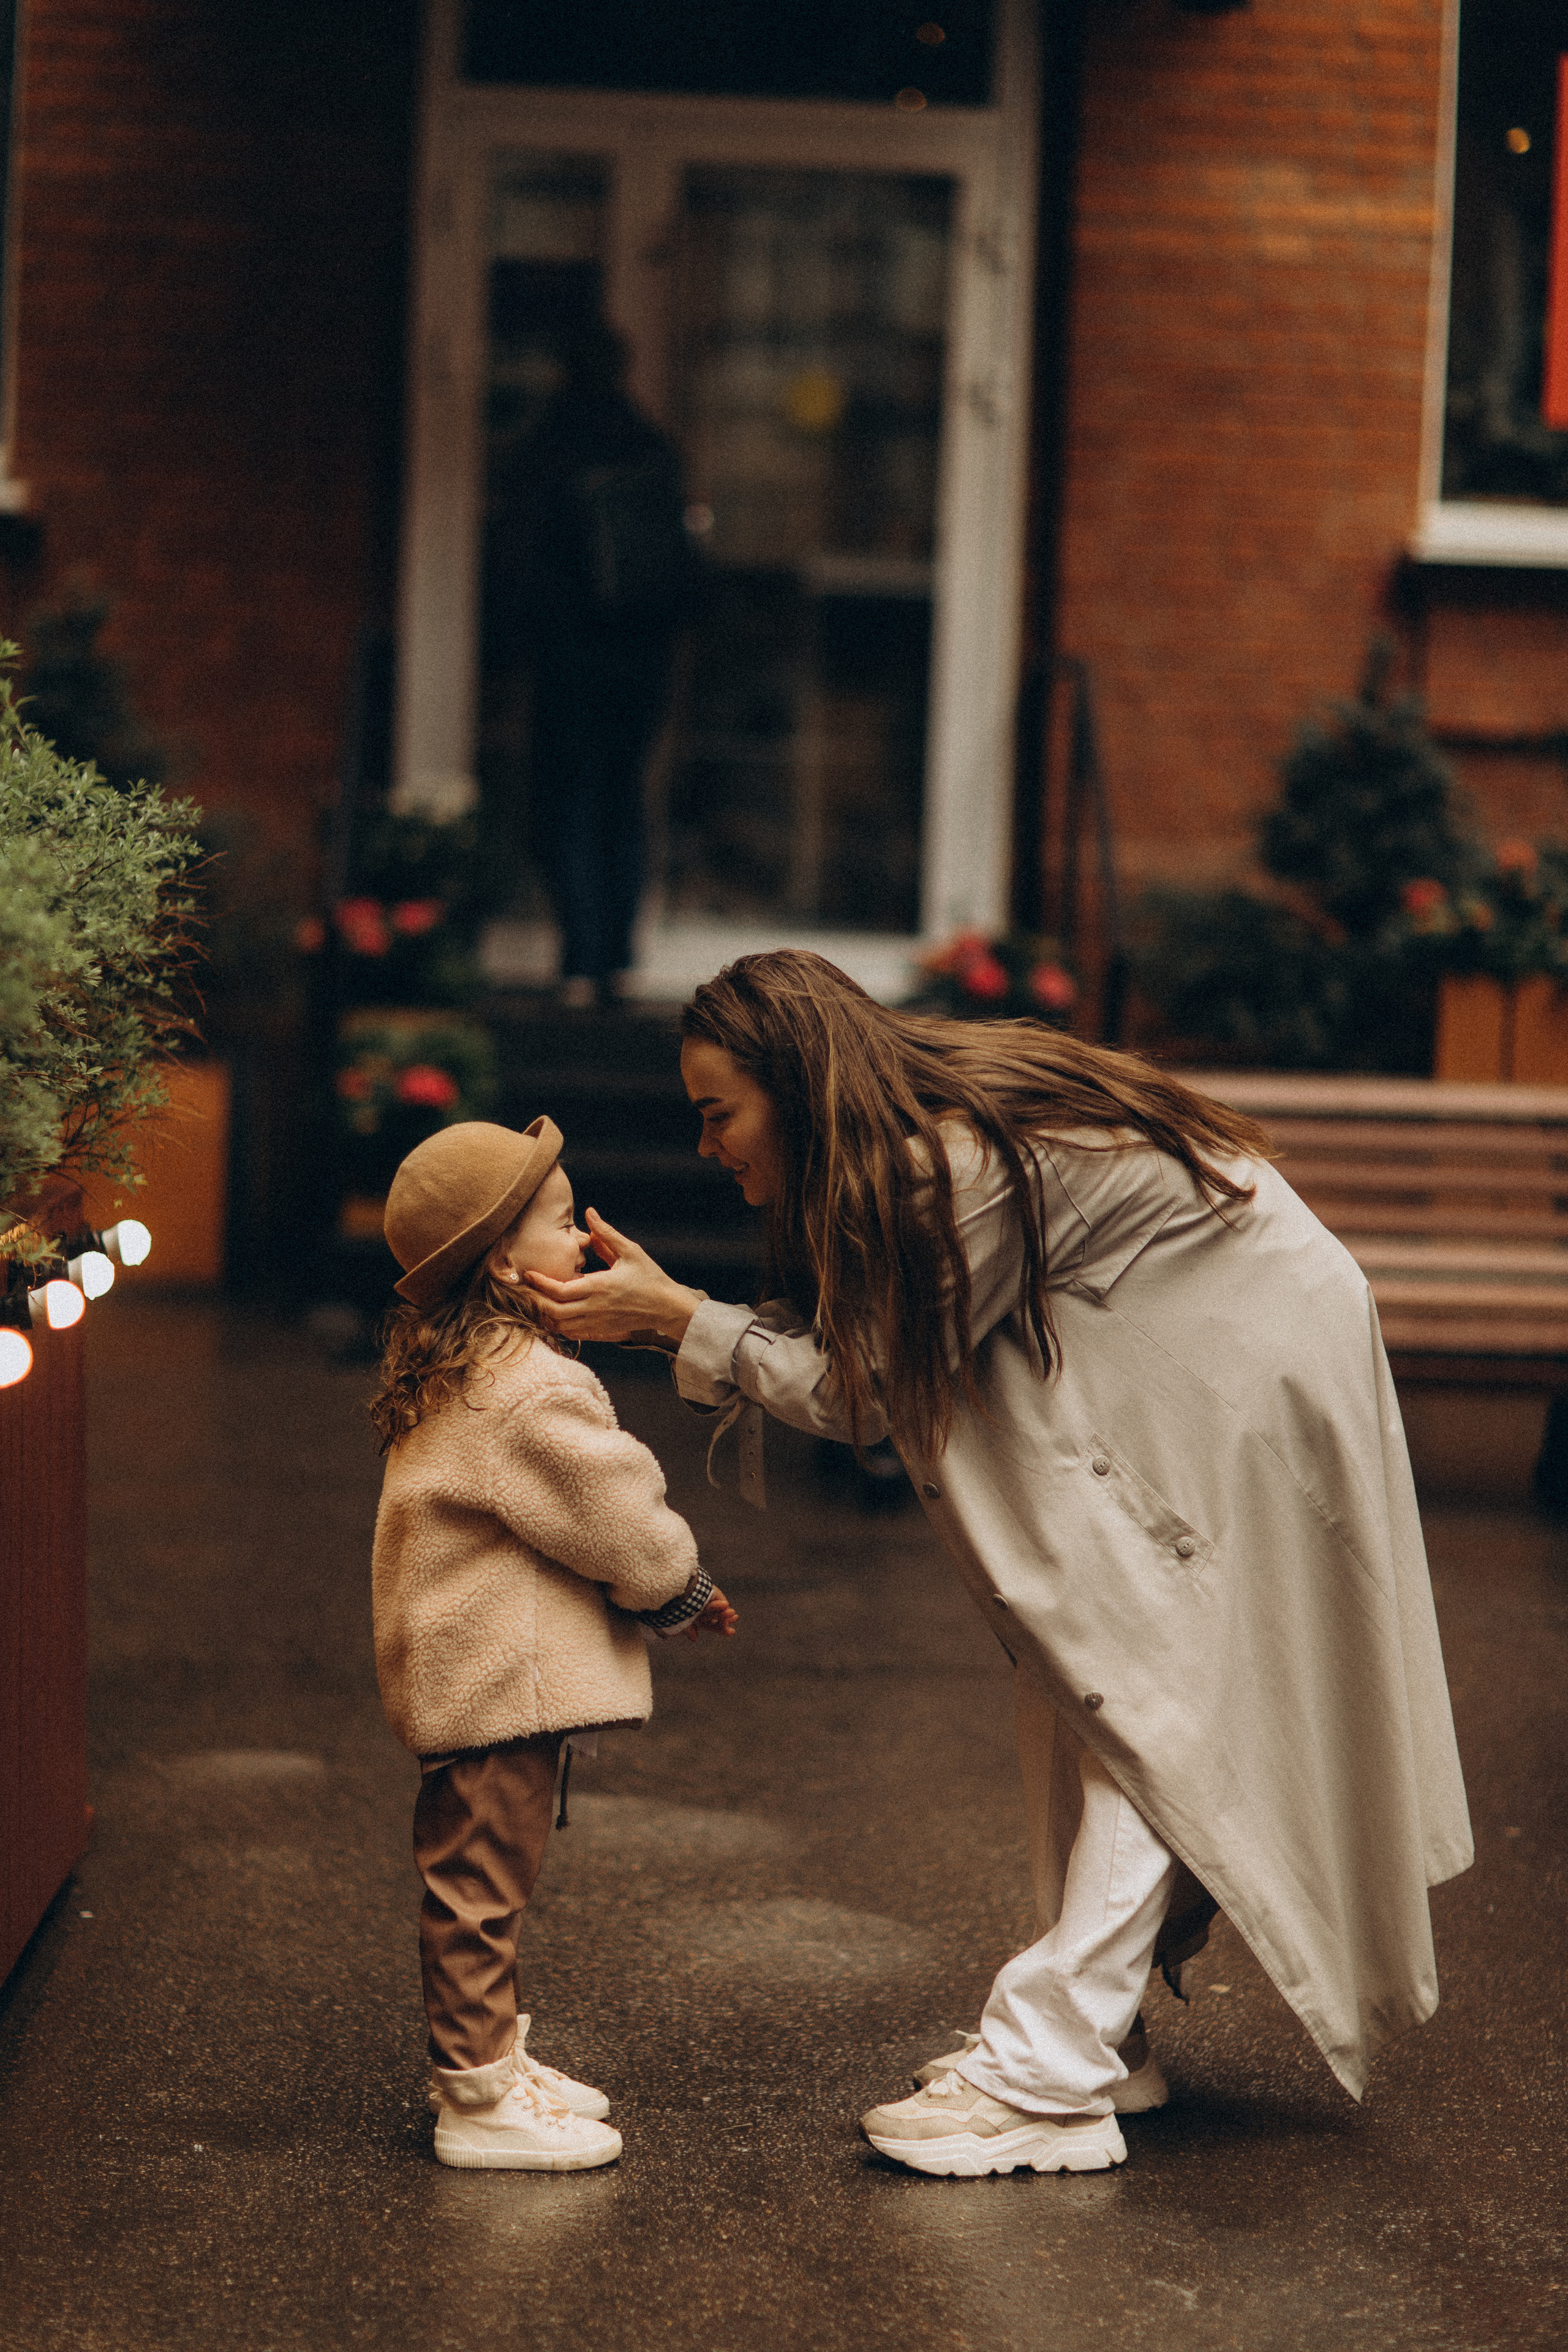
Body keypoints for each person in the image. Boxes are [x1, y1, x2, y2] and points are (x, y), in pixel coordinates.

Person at [523, 949, 1473, 2180]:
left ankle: (1052, 2067)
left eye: (719, 1112)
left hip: (1246, 1369)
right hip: (1214, 1339)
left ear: (800, 1089)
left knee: (1138, 1690)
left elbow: (860, 1391)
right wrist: (684, 1314)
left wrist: (671, 1317)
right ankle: (1092, 2036)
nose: (707, 1145)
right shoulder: (926, 1139)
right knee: (1090, 1665)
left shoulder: (936, 1170)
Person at [370, 1115, 736, 2171]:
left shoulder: (467, 1368)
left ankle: (490, 2057)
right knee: (481, 1889)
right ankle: (478, 2098)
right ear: (500, 1258)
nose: (583, 1236)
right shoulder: (528, 1389)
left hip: (477, 1679)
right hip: (495, 1686)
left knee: (485, 1878)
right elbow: (613, 1510)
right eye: (562, 1219)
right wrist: (681, 1587)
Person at [488, 318, 696, 1006]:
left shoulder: (549, 448)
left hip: (570, 658)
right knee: (623, 801)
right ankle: (619, 957)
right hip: (641, 659)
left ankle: (579, 958)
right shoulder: (651, 446)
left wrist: (515, 649)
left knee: (568, 801)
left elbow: (523, 562)